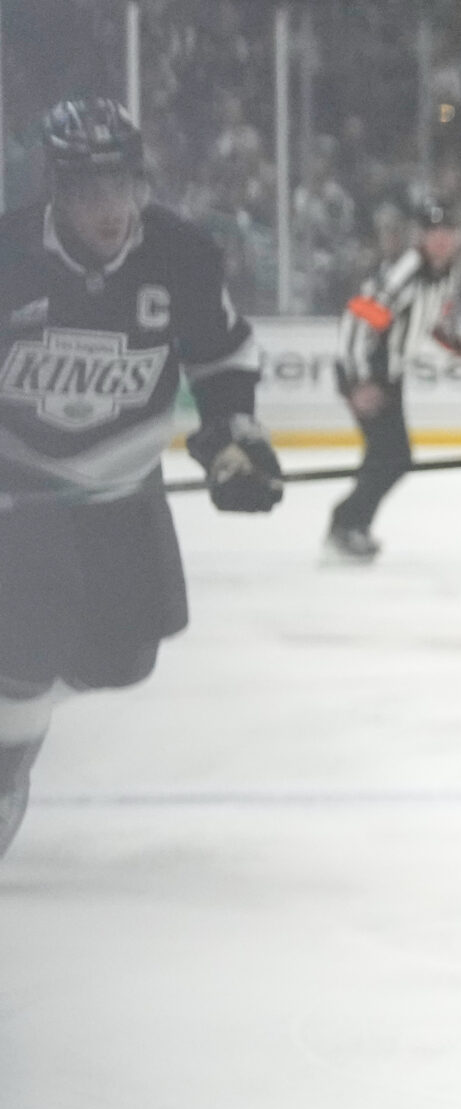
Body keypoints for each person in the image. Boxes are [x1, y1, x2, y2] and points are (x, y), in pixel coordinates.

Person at [0, 99, 281, 859]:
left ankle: (16, 713)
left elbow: (221, 358)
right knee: (25, 638)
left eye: (121, 186)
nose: (110, 209)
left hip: (122, 483)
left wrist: (235, 441)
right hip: (18, 486)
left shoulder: (180, 255)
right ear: (57, 189)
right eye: (90, 191)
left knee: (123, 657)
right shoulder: (8, 254)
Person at [327, 196, 461, 562]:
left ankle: (351, 526)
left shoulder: (447, 272)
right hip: (367, 371)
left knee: (389, 456)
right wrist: (359, 382)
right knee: (393, 456)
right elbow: (359, 318)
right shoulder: (407, 272)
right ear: (421, 236)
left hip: (388, 374)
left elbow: (434, 322)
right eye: (433, 232)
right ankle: (345, 524)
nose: (441, 239)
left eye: (447, 231)